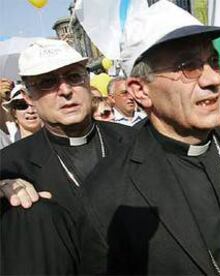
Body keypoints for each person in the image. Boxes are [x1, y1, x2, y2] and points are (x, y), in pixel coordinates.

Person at [81, 1, 220, 274]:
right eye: (189, 67)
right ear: (141, 91)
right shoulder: (109, 191)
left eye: (214, 62)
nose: (213, 79)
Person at [0, 38, 137, 274]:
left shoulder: (135, 142)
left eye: (74, 77)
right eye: (47, 82)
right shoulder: (10, 165)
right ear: (29, 97)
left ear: (87, 81)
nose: (65, 90)